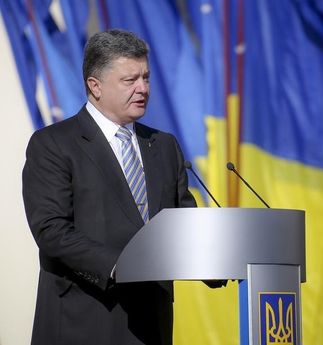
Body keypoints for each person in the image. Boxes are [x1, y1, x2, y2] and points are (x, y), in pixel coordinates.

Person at [22, 29, 197, 345]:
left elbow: (184, 225)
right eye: (130, 80)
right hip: (85, 319)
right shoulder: (53, 144)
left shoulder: (164, 146)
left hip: (150, 325)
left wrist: (218, 257)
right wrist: (120, 264)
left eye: (145, 77)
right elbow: (50, 229)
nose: (143, 88)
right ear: (95, 86)